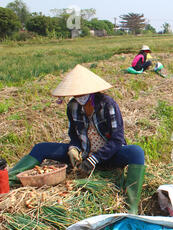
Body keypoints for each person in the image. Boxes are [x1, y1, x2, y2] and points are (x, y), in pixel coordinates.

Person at [8, 64, 146, 214]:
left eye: (82, 93)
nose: (79, 97)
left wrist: (95, 159)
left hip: (108, 155)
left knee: (136, 152)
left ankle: (130, 207)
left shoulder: (107, 105)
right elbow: (73, 133)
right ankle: (9, 178)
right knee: (41, 148)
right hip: (84, 154)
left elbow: (117, 139)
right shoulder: (73, 106)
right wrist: (74, 148)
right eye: (76, 94)